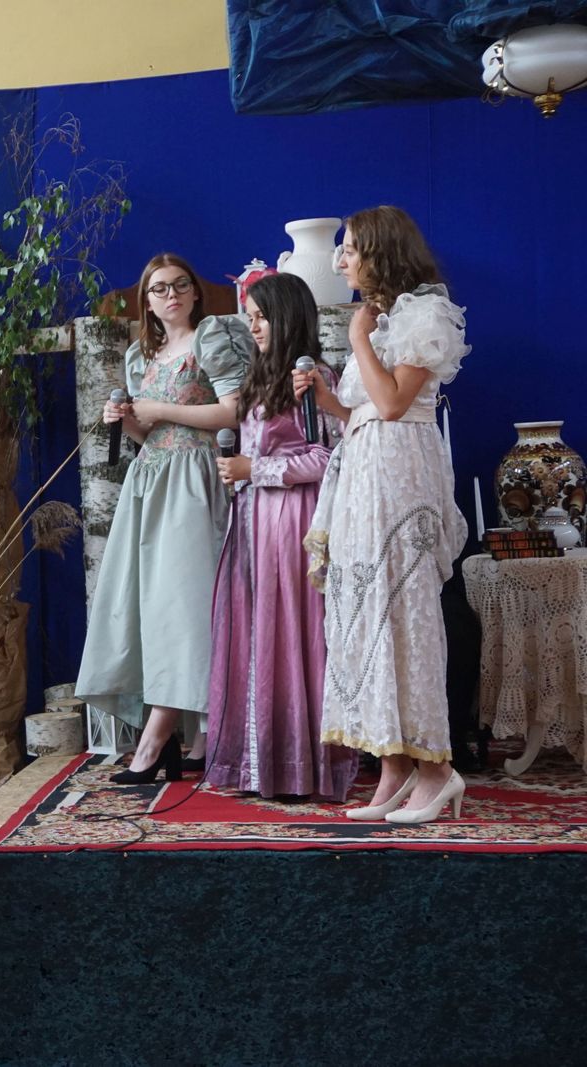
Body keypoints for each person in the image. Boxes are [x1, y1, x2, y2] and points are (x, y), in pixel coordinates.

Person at [296, 205, 470, 824]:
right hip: (364, 474)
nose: (341, 259)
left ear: (380, 251)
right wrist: (329, 401)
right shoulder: (379, 316)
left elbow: (395, 404)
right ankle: (393, 761)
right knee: (366, 611)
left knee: (402, 607)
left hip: (400, 476)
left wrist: (356, 340)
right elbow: (368, 413)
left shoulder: (424, 315)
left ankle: (437, 769)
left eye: (349, 248)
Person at [76, 254, 252, 783]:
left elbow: (234, 410)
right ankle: (193, 740)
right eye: (159, 289)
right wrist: (127, 420)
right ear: (147, 302)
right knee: (152, 607)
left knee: (184, 606)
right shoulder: (141, 355)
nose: (170, 295)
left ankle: (159, 740)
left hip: (194, 479)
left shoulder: (211, 337)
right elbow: (146, 436)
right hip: (150, 480)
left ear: (195, 292)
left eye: (179, 285)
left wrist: (160, 411)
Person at [205, 273, 356, 801]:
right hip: (252, 519)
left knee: (293, 633)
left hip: (294, 519)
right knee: (256, 633)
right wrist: (238, 474)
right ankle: (259, 761)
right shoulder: (261, 375)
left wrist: (258, 469)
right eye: (250, 317)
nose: (254, 327)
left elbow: (328, 456)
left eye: (262, 317)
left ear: (288, 316)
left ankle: (299, 764)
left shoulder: (314, 376)